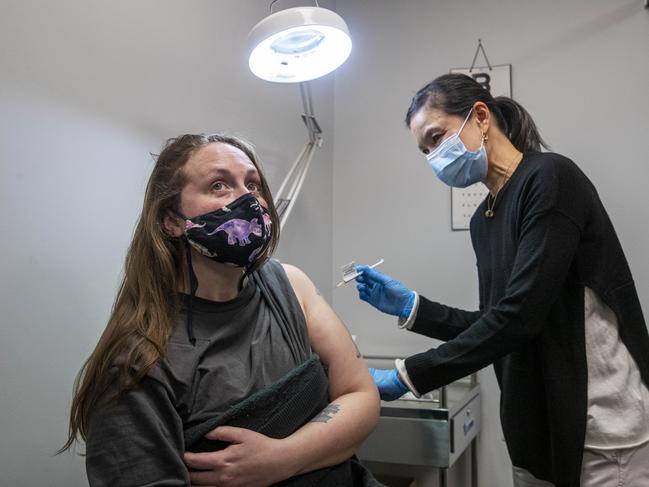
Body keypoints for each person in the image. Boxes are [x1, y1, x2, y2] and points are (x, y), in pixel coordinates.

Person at [355, 74, 649, 487]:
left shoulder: (550, 179)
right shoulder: (484, 219)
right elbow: (496, 322)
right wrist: (413, 308)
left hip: (601, 427)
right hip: (535, 430)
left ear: (479, 116)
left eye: (437, 137)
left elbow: (519, 317)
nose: (433, 157)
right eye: (425, 150)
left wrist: (408, 376)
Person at [60, 133, 381, 486]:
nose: (248, 198)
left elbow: (360, 394)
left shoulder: (288, 284)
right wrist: (325, 444)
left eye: (253, 185)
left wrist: (282, 459)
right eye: (218, 185)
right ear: (172, 220)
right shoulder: (137, 363)